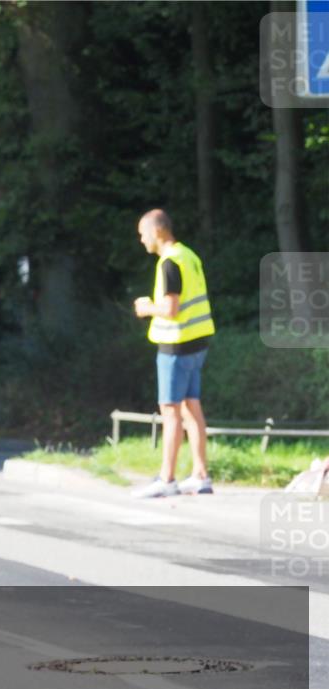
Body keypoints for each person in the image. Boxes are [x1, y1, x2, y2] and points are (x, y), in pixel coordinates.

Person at [132, 209, 215, 498]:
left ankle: (166, 479)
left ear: (157, 232)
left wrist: (146, 309)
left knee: (170, 411)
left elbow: (170, 308)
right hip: (198, 342)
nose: (142, 240)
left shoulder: (169, 263)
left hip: (176, 346)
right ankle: (201, 475)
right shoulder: (188, 255)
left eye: (143, 234)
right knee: (192, 408)